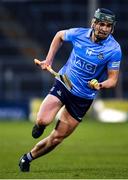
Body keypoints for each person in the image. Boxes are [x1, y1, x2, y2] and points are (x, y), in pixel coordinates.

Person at [19, 8, 122, 172]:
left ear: (112, 28)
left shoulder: (114, 49)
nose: (104, 28)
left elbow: (113, 80)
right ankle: (40, 125)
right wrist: (49, 60)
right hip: (64, 84)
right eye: (101, 24)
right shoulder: (79, 34)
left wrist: (100, 85)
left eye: (108, 25)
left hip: (83, 98)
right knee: (43, 121)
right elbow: (59, 35)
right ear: (93, 23)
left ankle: (27, 157)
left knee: (57, 137)